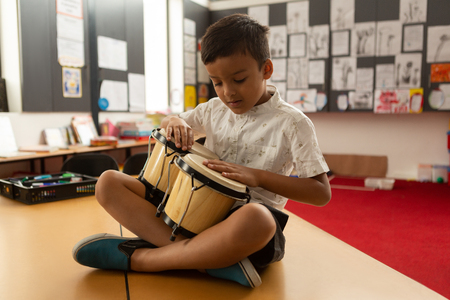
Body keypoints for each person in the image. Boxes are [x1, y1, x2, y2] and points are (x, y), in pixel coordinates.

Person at [72, 13, 331, 288]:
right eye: (217, 82)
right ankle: (210, 260)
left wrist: (256, 177)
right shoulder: (213, 110)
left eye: (239, 79)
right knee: (108, 182)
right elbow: (172, 120)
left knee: (259, 219)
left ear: (266, 69)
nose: (228, 92)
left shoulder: (293, 122)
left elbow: (321, 193)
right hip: (190, 212)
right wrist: (173, 121)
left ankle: (143, 259)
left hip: (242, 227)